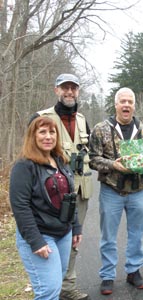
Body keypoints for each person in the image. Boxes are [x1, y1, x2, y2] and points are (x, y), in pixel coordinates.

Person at [30, 73, 92, 300]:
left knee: (74, 239)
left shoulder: (83, 120)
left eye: (73, 88)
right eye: (64, 88)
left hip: (80, 191)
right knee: (51, 239)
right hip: (51, 191)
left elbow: (91, 156)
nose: (69, 92)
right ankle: (50, 287)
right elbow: (30, 156)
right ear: (56, 90)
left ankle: (67, 286)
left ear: (78, 91)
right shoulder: (41, 118)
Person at [9, 116, 82, 300]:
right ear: (33, 136)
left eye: (52, 132)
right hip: (41, 235)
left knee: (56, 284)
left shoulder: (60, 160)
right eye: (42, 132)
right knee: (47, 291)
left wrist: (76, 227)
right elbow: (20, 207)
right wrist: (36, 241)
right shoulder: (24, 166)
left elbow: (70, 196)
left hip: (63, 233)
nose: (48, 136)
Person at [89, 87, 143, 296]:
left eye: (130, 102)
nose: (126, 105)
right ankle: (107, 275)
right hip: (111, 191)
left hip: (137, 191)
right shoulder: (100, 129)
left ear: (134, 106)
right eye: (122, 101)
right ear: (116, 104)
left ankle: (133, 271)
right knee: (109, 236)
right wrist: (113, 165)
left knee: (136, 234)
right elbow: (93, 159)